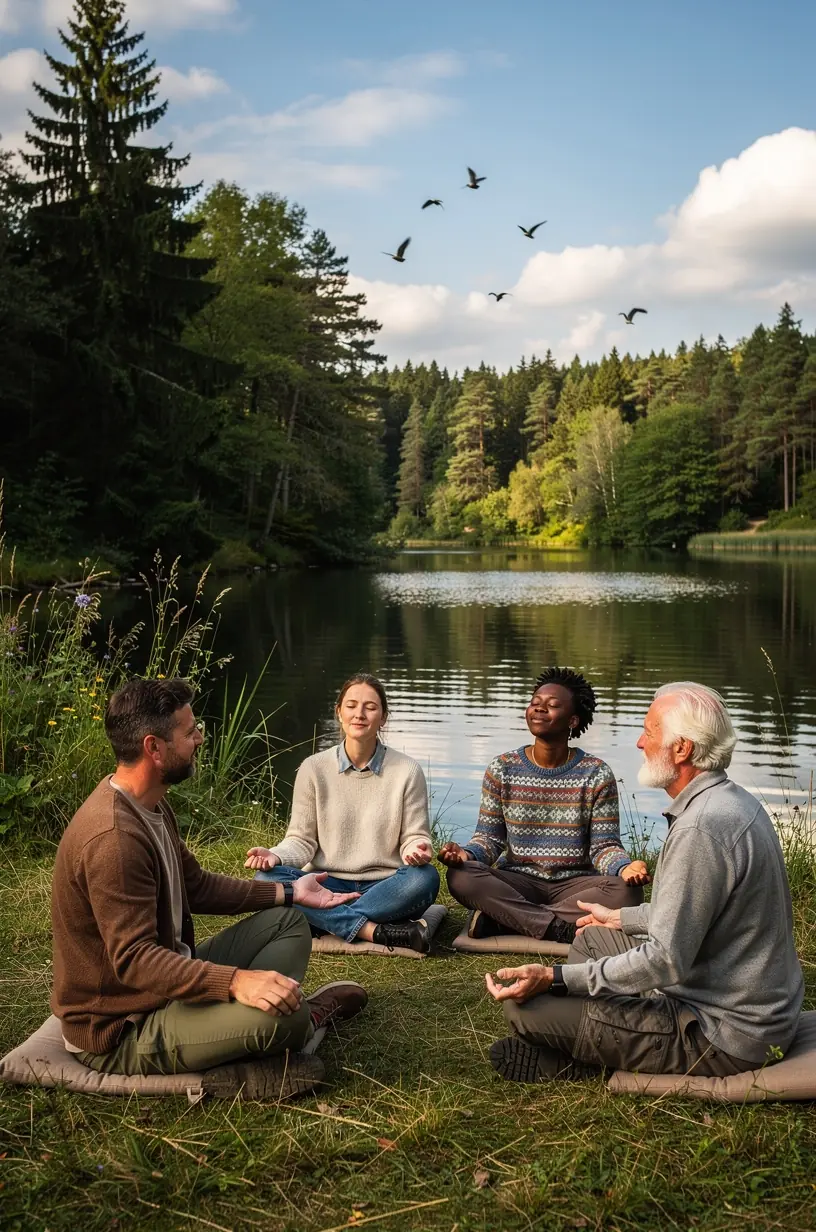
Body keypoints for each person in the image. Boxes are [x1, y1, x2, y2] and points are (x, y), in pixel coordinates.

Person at [51, 677, 368, 1101]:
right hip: (124, 1026)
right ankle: (294, 1022)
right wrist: (237, 982)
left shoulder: (150, 804)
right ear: (154, 747)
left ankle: (255, 1018)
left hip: (165, 986)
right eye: (189, 731)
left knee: (290, 921)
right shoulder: (113, 840)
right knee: (288, 1023)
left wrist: (292, 893)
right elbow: (135, 962)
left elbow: (196, 887)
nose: (199, 738)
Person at [486, 682, 805, 1084]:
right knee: (592, 940)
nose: (639, 743)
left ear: (682, 749)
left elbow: (665, 960)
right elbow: (697, 914)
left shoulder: (702, 828)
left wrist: (555, 977)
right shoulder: (730, 800)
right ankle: (602, 1029)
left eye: (649, 732)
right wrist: (622, 917)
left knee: (526, 1010)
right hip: (730, 993)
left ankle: (575, 1062)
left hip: (722, 1031)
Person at [438, 667, 648, 945]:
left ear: (572, 720)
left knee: (627, 893)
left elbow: (604, 846)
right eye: (535, 703)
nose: (539, 709)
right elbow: (489, 839)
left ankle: (504, 919)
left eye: (552, 706)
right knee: (462, 877)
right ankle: (558, 928)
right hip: (518, 881)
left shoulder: (596, 773)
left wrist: (624, 868)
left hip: (577, 885)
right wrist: (465, 854)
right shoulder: (502, 768)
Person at [246, 673, 440, 954]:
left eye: (370, 707)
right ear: (339, 712)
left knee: (425, 878)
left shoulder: (407, 771)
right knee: (265, 879)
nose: (359, 714)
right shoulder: (313, 769)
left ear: (383, 717)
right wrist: (275, 855)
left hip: (386, 885)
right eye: (351, 705)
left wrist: (416, 849)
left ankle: (320, 918)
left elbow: (414, 835)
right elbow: (302, 840)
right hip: (324, 882)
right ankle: (373, 929)